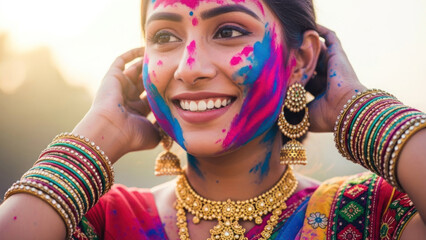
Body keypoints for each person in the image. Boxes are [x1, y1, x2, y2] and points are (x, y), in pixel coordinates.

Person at [0, 0, 426, 239]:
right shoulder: (101, 221)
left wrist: (355, 106)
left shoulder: (370, 215)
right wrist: (100, 132)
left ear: (301, 59)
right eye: (165, 37)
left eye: (228, 32)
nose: (188, 68)